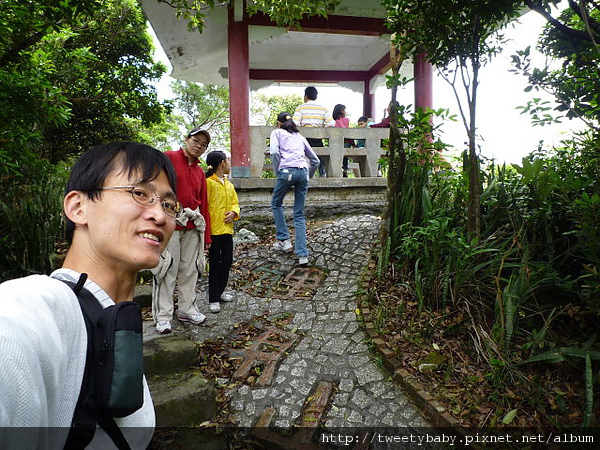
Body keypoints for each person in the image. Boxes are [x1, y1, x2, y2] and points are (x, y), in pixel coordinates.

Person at [0, 142, 177, 449]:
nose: (159, 215)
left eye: (169, 204)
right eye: (140, 193)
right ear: (78, 207)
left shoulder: (114, 321)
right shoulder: (29, 308)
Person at [152, 128, 212, 334]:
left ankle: (187, 308)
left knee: (190, 270)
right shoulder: (168, 158)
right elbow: (155, 187)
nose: (199, 146)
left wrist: (208, 235)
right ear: (186, 140)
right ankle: (163, 316)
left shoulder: (199, 171)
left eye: (203, 145)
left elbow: (203, 203)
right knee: (167, 269)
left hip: (193, 226)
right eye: (196, 141)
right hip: (170, 223)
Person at [270, 112, 320, 265]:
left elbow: (273, 152)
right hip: (303, 172)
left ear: (278, 123)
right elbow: (315, 160)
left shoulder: (276, 132)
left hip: (287, 171)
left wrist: (278, 170)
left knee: (276, 203)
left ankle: (285, 240)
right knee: (299, 214)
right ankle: (303, 255)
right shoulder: (300, 137)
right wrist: (307, 176)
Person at [205, 151, 240, 314]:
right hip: (213, 231)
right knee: (214, 265)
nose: (229, 162)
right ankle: (213, 297)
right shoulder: (208, 183)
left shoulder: (229, 184)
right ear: (222, 163)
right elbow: (205, 207)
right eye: (228, 160)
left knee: (227, 261)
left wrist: (234, 212)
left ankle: (220, 291)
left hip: (227, 230)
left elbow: (235, 203)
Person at [292, 86, 334, 177]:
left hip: (304, 141)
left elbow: (295, 123)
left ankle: (306, 178)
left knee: (305, 162)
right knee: (321, 160)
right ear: (316, 96)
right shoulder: (323, 109)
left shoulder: (300, 108)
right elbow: (331, 123)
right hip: (318, 140)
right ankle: (323, 176)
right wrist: (322, 128)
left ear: (305, 96)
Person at [332, 103, 355, 177]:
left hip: (336, 141)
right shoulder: (347, 120)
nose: (345, 111)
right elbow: (347, 130)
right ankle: (344, 169)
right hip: (346, 141)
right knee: (345, 155)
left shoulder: (334, 121)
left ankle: (337, 170)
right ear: (341, 111)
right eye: (344, 110)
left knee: (337, 156)